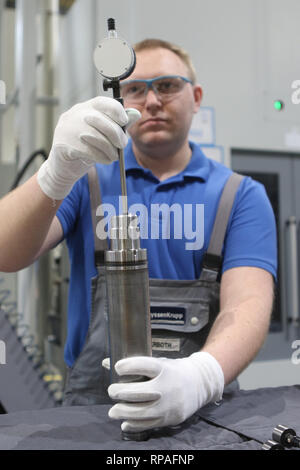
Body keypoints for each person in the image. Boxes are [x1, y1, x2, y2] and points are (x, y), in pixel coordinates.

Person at [0, 39, 277, 434]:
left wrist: (201, 377)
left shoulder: (240, 194)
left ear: (195, 97)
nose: (150, 101)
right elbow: (4, 254)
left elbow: (248, 303)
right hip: (96, 415)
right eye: (135, 88)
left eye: (167, 85)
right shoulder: (84, 180)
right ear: (118, 96)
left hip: (203, 413)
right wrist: (55, 172)